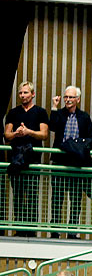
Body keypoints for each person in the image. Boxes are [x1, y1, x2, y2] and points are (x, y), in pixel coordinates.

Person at [49, 86, 92, 234]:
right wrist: (54, 107)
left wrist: (81, 146)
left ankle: (72, 231)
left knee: (75, 199)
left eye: (71, 97)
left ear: (78, 99)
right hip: (59, 162)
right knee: (57, 198)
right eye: (66, 97)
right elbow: (52, 127)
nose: (68, 100)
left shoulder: (84, 117)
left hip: (77, 163)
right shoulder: (60, 114)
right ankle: (55, 231)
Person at [4, 81, 49, 234]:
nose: (22, 95)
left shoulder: (40, 112)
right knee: (17, 194)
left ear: (33, 94)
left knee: (31, 194)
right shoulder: (13, 112)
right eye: (20, 93)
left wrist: (29, 132)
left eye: (25, 92)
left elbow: (44, 134)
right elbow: (7, 135)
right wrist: (17, 133)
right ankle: (19, 228)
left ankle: (31, 229)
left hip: (33, 159)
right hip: (16, 158)